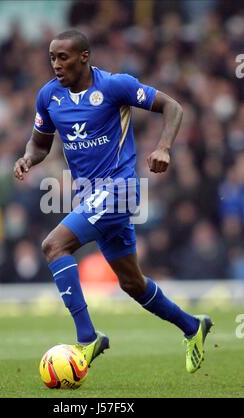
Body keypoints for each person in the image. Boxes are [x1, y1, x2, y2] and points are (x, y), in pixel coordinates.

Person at [14, 30, 213, 374]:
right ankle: (193, 326)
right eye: (52, 58)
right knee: (132, 283)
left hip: (119, 190)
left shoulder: (114, 86)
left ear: (84, 57)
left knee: (53, 246)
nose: (56, 65)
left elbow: (173, 107)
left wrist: (164, 146)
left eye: (63, 57)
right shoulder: (48, 96)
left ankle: (87, 337)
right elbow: (40, 143)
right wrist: (28, 158)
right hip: (90, 196)